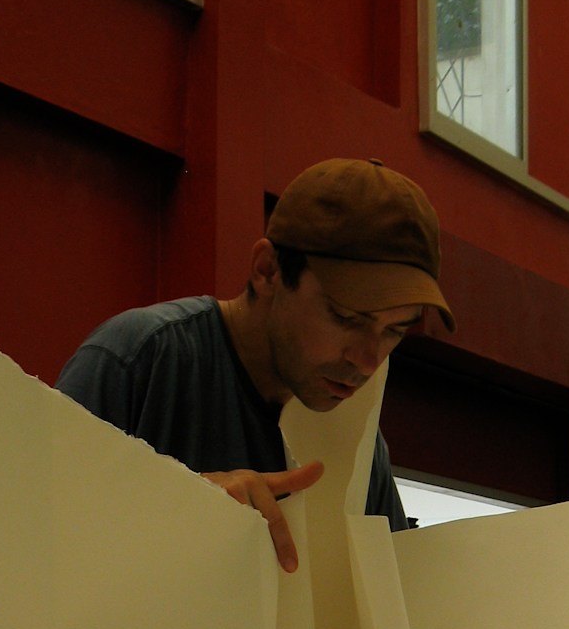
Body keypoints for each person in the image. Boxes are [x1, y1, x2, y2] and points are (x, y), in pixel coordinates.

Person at [56, 158, 454, 572]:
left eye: (394, 331)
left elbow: (392, 594)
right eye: (346, 318)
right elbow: (31, 539)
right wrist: (183, 507)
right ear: (268, 271)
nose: (368, 361)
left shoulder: (358, 437)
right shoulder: (142, 359)